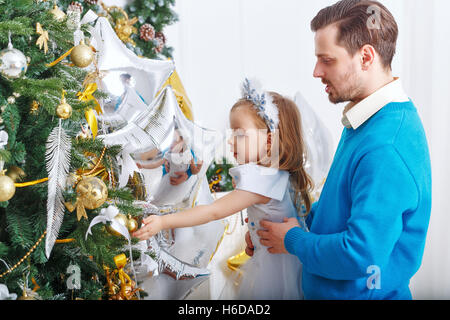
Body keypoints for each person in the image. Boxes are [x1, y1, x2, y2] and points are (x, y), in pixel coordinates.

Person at [247, 0, 432, 300]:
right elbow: (339, 209)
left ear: (366, 57)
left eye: (327, 60)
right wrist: (276, 230)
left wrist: (293, 240)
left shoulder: (385, 147)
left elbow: (359, 254)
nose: (316, 71)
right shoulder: (365, 121)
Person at [133, 79, 313, 299]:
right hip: (281, 263)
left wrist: (163, 221)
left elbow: (212, 212)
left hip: (275, 272)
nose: (231, 142)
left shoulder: (261, 179)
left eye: (239, 134)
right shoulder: (276, 175)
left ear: (268, 141)